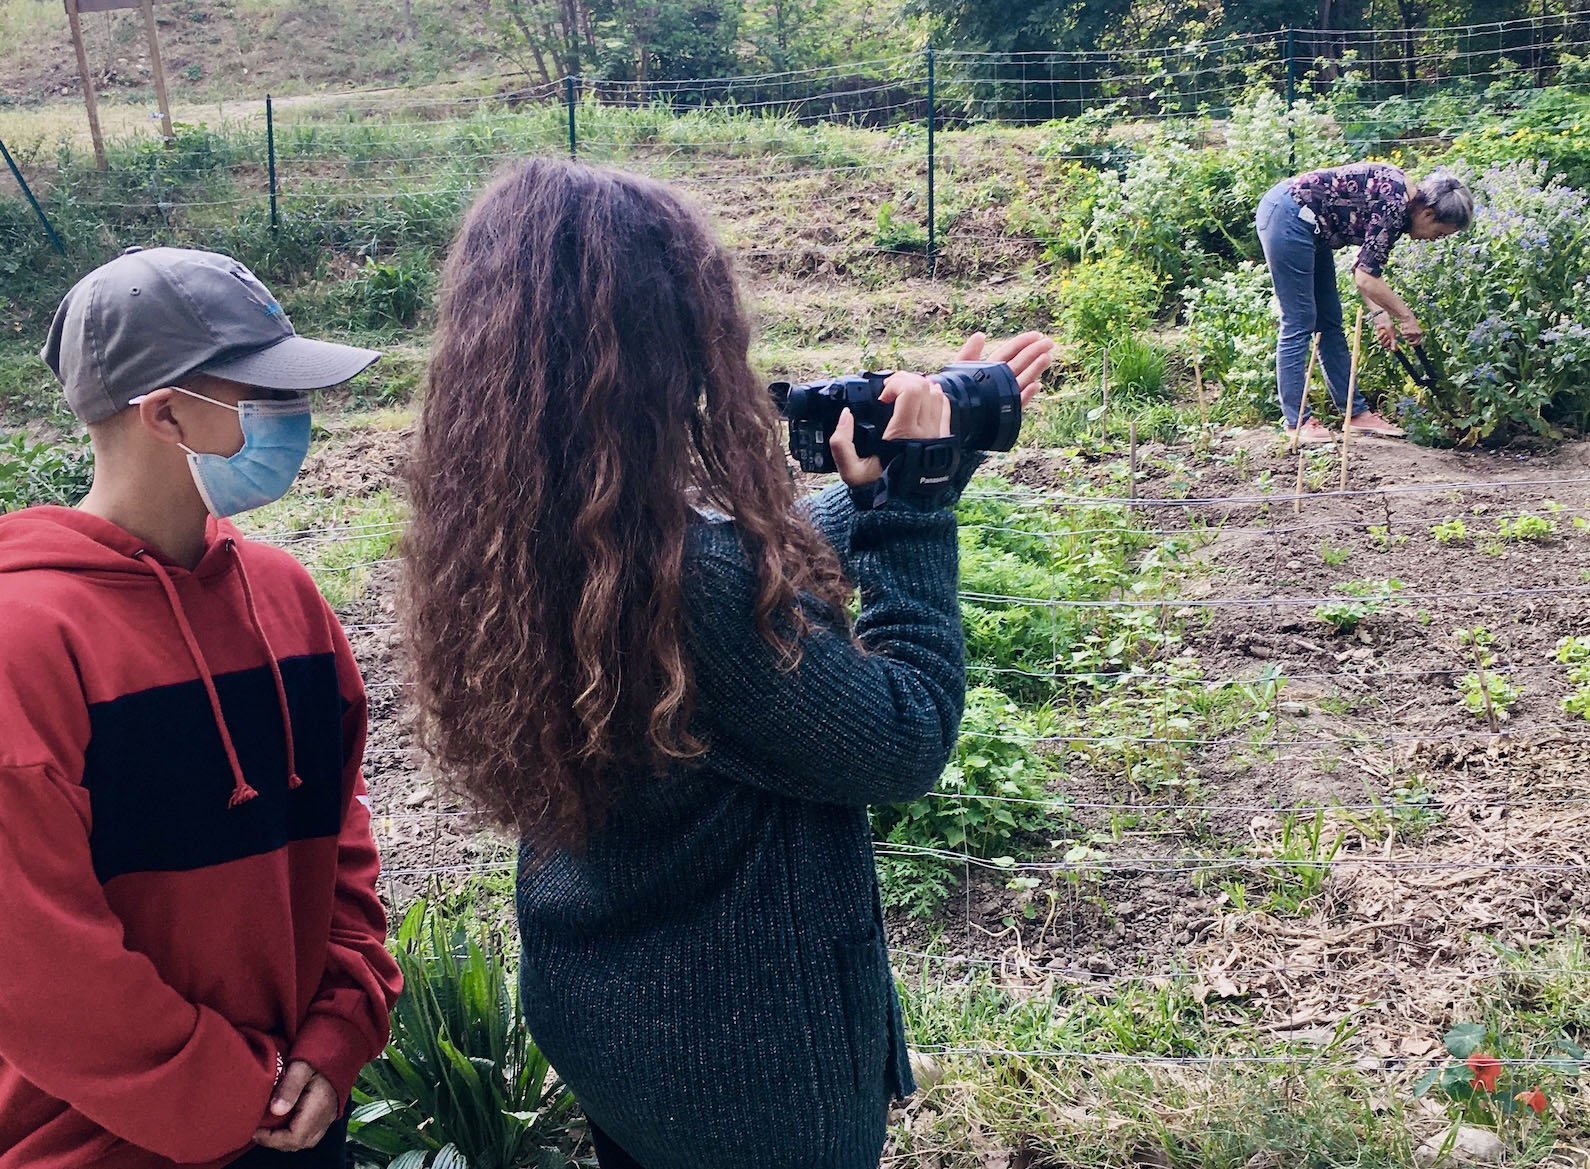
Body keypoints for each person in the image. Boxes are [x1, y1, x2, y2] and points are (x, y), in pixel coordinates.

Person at [402, 158, 1053, 1169]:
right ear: (662, 347)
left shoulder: (524, 528)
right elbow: (904, 733)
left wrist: (910, 471)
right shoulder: (687, 579)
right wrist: (916, 513)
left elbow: (750, 567)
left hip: (618, 1025)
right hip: (750, 1085)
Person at [0, 247, 403, 1169]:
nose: (295, 419)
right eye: (263, 395)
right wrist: (228, 1095)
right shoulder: (23, 641)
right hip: (98, 1147)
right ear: (165, 411)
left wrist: (339, 1028)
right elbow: (37, 965)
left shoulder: (288, 596)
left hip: (296, 1116)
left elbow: (340, 838)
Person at [1255, 163, 1474, 444]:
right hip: (1289, 216)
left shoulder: (1403, 202)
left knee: (1329, 322)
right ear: (1428, 213)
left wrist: (1380, 314)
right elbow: (1365, 277)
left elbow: (1365, 267)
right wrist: (1406, 317)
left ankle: (1355, 415)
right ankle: (1297, 421)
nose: (1434, 240)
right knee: (1299, 320)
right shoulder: (1394, 207)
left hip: (1312, 226)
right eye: (1440, 233)